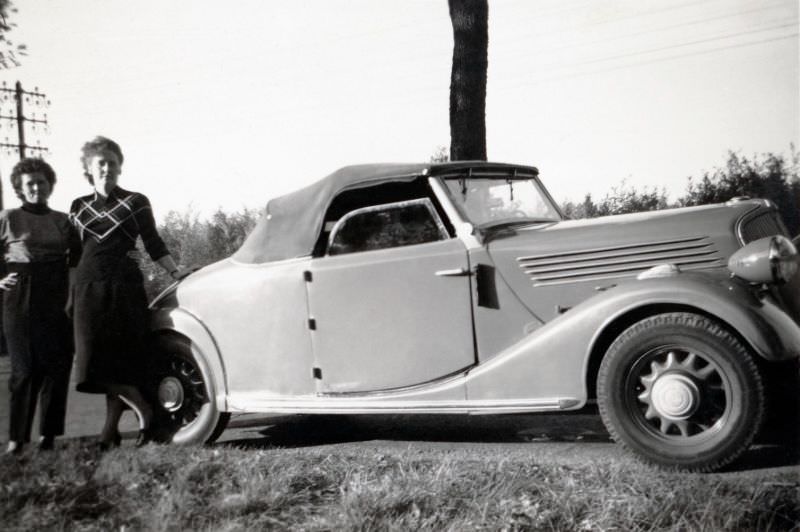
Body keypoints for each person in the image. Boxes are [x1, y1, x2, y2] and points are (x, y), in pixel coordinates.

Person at [70, 136, 187, 449]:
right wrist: (69, 295)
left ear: (119, 167)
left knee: (121, 361)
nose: (107, 168)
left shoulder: (136, 201)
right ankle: (145, 410)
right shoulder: (77, 207)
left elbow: (153, 243)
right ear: (88, 169)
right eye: (100, 163)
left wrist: (176, 272)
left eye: (112, 163)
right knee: (92, 363)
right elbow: (73, 255)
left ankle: (109, 434)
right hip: (87, 289)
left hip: (125, 288)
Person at [1, 158, 79, 454]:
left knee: (55, 369)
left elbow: (75, 259)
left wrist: (70, 295)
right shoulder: (7, 217)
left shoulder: (63, 220)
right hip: (20, 294)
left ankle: (48, 437)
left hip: (56, 293)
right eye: (29, 184)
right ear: (20, 189)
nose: (36, 188)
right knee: (24, 369)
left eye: (41, 182)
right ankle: (16, 440)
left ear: (50, 185)